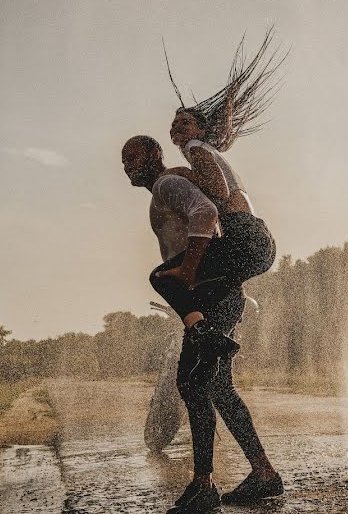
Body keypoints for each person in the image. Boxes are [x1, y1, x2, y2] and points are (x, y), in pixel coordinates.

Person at [122, 136, 283, 513]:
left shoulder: (166, 185)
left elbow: (206, 213)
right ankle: (263, 474)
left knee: (192, 383)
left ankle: (203, 485)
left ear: (154, 155)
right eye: (123, 160)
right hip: (222, 294)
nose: (126, 164)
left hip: (210, 296)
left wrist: (189, 272)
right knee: (218, 388)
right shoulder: (164, 189)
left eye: (133, 156)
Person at [150, 28, 284, 345]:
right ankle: (222, 334)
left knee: (163, 278)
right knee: (209, 295)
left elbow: (218, 190)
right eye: (174, 122)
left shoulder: (197, 148)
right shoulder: (207, 151)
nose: (177, 126)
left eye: (185, 121)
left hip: (244, 238)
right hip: (260, 244)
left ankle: (207, 335)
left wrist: (182, 171)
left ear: (200, 129)